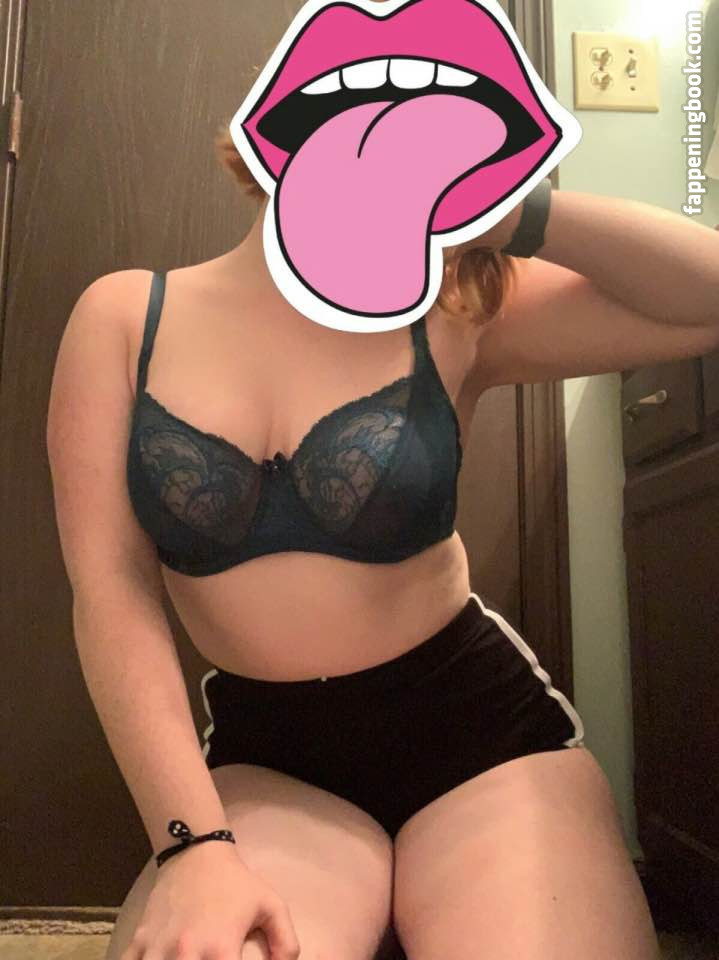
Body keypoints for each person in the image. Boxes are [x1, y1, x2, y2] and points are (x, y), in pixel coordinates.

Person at [48, 46, 719, 960]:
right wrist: (192, 845)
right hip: (271, 760)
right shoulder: (126, 316)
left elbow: (705, 298)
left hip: (480, 738)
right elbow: (112, 591)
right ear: (272, 126)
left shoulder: (453, 312)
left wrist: (509, 213)